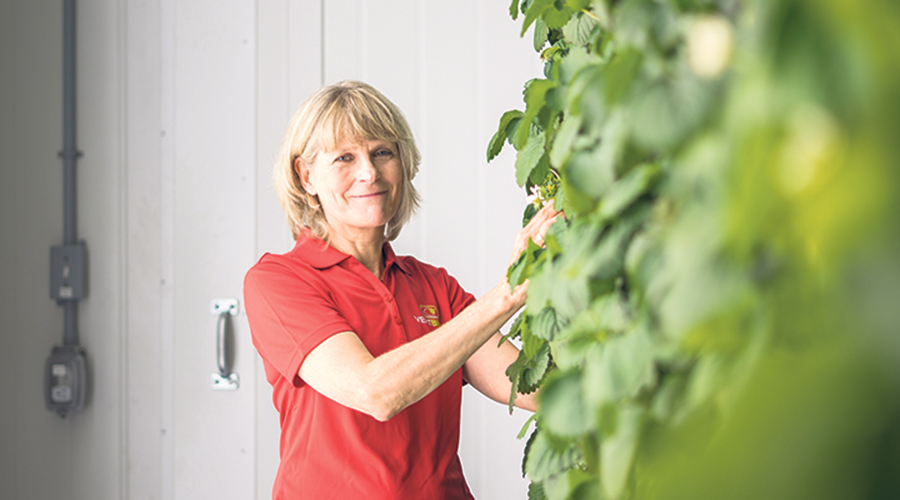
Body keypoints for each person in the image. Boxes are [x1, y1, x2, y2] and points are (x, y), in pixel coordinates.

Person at [243, 80, 559, 500]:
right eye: (344, 157)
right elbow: (374, 392)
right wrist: (509, 293)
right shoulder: (279, 281)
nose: (369, 172)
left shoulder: (434, 286)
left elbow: (536, 391)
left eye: (382, 152)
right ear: (306, 176)